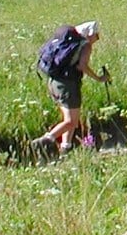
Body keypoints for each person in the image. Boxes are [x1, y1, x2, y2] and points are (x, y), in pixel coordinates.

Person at [33, 20, 110, 153]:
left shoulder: (67, 43)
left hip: (54, 83)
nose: (96, 39)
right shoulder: (84, 45)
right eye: (96, 36)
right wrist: (99, 78)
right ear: (90, 34)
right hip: (68, 85)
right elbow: (82, 66)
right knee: (71, 121)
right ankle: (44, 141)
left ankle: (66, 147)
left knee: (69, 118)